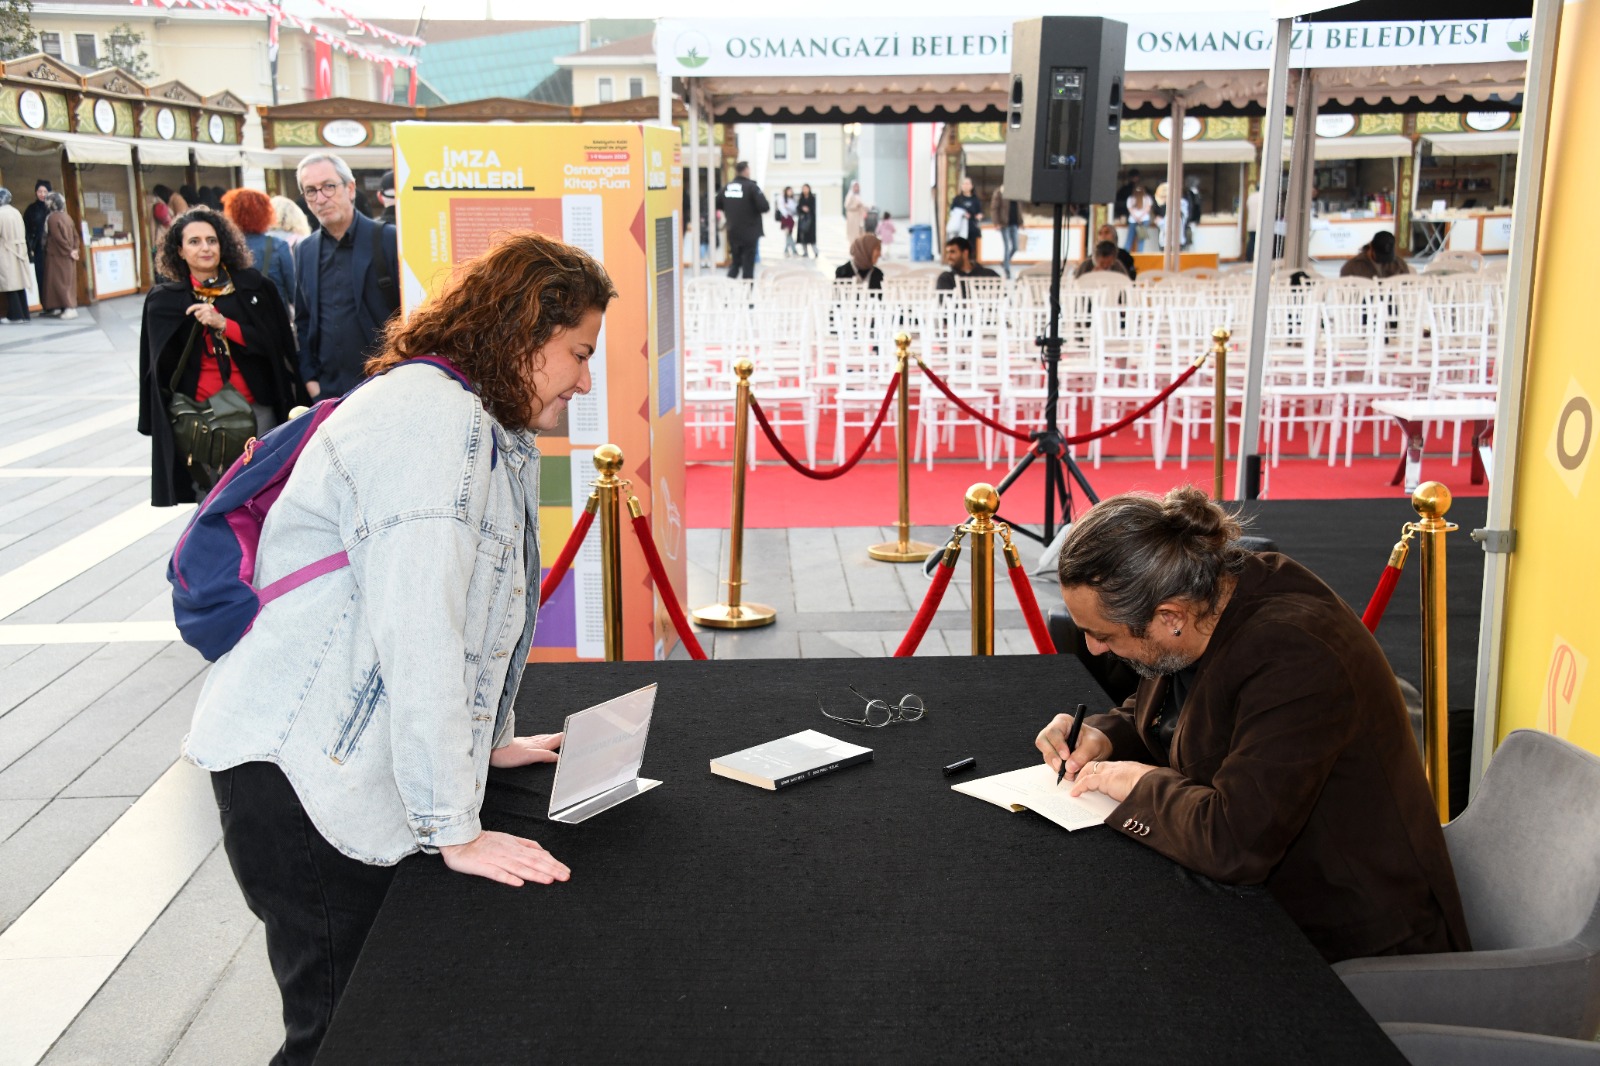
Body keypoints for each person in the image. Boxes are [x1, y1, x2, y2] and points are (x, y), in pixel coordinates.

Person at [184, 232, 611, 1065]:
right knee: (342, 1036)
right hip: (301, 784)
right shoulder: (433, 426)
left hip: (320, 770)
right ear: (524, 334)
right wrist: (455, 826)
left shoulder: (470, 415)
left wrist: (490, 743)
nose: (584, 381)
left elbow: (475, 621)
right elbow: (422, 632)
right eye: (577, 354)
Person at [1035, 487, 1471, 964]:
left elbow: (1233, 844)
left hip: (1348, 943)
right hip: (1272, 905)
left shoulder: (1294, 655)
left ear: (1169, 616)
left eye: (1104, 635)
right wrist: (1105, 735)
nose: (1093, 649)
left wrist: (1137, 782)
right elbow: (1175, 703)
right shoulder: (1208, 599)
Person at [137, 206, 301, 507]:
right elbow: (154, 368)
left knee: (262, 494)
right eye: (195, 241)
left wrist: (225, 325)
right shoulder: (164, 301)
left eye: (211, 240)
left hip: (256, 408)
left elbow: (277, 345)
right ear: (180, 251)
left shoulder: (254, 287)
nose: (205, 248)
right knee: (212, 500)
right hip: (201, 417)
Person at [292, 153, 400, 399]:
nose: (321, 198)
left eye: (329, 187)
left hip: (383, 387)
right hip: (329, 394)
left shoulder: (388, 239)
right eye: (311, 191)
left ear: (350, 188)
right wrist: (311, 380)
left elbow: (410, 313)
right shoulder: (304, 251)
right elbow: (303, 320)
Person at [223, 188, 294, 306]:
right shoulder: (279, 245)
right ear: (266, 213)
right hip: (274, 311)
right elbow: (293, 289)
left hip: (240, 314)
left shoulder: (226, 246)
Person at [715, 161, 768, 281]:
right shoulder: (751, 187)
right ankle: (747, 296)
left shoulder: (727, 187)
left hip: (733, 231)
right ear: (746, 171)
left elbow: (717, 203)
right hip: (750, 232)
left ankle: (727, 292)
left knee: (735, 264)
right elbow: (764, 206)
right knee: (748, 267)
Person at [42, 192, 79, 319]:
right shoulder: (67, 217)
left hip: (57, 256)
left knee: (59, 283)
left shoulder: (52, 218)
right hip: (67, 256)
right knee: (66, 282)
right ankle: (62, 306)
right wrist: (74, 250)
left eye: (48, 201)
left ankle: (68, 308)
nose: (46, 203)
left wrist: (69, 250)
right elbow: (75, 236)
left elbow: (57, 238)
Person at [0, 189, 31, 323]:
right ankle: (24, 313)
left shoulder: (1, 213)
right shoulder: (16, 212)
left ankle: (15, 315)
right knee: (19, 283)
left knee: (9, 284)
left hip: (5, 250)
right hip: (19, 250)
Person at [935, 235, 999, 292]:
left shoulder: (989, 275)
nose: (948, 256)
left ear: (965, 253)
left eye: (952, 252)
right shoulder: (946, 278)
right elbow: (945, 303)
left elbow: (1004, 300)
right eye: (947, 253)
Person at [1340, 230, 1412, 280]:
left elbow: (1407, 286)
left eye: (1387, 257)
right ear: (1371, 247)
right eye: (1380, 256)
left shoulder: (1399, 264)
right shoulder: (1352, 267)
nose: (1383, 261)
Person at [23, 179, 50, 303]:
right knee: (41, 276)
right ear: (35, 192)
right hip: (38, 248)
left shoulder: (52, 208)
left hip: (52, 248)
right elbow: (26, 230)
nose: (42, 194)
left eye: (45, 191)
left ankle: (56, 304)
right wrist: (29, 248)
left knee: (53, 277)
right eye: (40, 191)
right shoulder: (31, 209)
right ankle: (46, 304)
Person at [949, 176, 984, 263]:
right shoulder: (957, 199)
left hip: (972, 227)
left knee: (972, 248)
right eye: (964, 184)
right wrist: (962, 214)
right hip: (960, 228)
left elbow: (980, 212)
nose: (966, 186)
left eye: (968, 184)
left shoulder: (975, 199)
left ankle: (972, 264)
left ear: (972, 186)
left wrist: (979, 215)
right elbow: (952, 212)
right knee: (961, 247)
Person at [991, 186, 1021, 279]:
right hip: (1004, 223)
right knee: (1007, 246)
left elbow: (1018, 208)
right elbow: (994, 208)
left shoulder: (1016, 192)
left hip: (1014, 223)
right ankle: (1007, 270)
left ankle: (1005, 262)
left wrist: (1021, 221)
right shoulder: (1000, 192)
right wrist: (996, 222)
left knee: (1016, 247)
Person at [1126, 184, 1154, 253]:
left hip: (1133, 220)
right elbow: (1148, 209)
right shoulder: (1147, 198)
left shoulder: (1130, 198)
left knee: (1130, 239)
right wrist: (1140, 217)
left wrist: (1136, 217)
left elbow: (1130, 210)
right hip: (1143, 220)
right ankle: (1140, 255)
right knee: (1141, 240)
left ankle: (1126, 253)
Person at [795, 183, 818, 258]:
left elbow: (813, 209)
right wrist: (802, 208)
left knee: (811, 238)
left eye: (806, 188)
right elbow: (798, 208)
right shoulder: (801, 198)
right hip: (802, 220)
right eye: (803, 188)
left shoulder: (812, 198)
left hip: (810, 221)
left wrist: (808, 209)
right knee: (803, 237)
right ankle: (805, 252)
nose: (805, 190)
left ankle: (815, 251)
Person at [777, 185, 797, 257]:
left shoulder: (792, 199)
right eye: (789, 190)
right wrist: (786, 214)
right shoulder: (782, 198)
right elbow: (781, 207)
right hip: (785, 218)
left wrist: (788, 206)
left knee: (789, 234)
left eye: (791, 191)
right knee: (788, 234)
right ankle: (793, 250)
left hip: (791, 218)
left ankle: (787, 249)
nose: (790, 192)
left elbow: (794, 209)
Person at [1245, 184, 1262, 263]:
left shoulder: (1251, 197)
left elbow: (1247, 207)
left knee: (1251, 241)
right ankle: (1258, 258)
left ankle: (1248, 258)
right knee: (1260, 242)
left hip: (1251, 223)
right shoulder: (1262, 197)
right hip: (1260, 224)